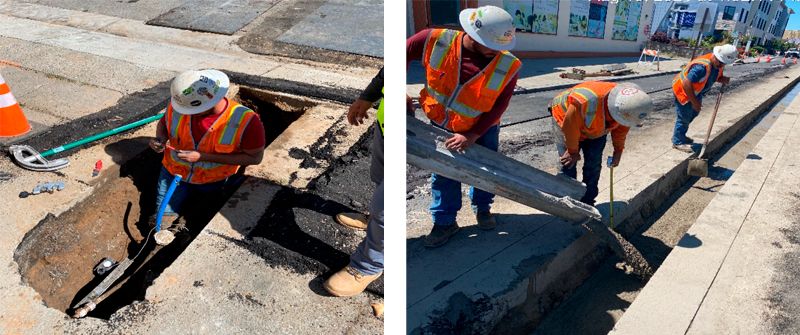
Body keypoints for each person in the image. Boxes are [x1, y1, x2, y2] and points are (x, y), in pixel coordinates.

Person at [407, 5, 521, 248]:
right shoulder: (434, 40)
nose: (499, 51)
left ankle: (483, 207)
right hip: (441, 124)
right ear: (475, 34)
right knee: (444, 171)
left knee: (485, 170)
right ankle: (445, 222)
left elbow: (500, 105)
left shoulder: (507, 65)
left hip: (483, 127)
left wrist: (472, 134)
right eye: (494, 45)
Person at [148, 69, 265, 229]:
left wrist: (202, 157)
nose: (186, 114)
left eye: (192, 111)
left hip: (213, 181)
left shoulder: (245, 121)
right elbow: (164, 123)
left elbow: (254, 158)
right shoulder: (183, 104)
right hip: (173, 173)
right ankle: (163, 226)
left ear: (207, 103)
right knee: (162, 221)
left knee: (203, 213)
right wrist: (161, 138)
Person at [323, 68, 384, 296]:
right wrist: (368, 96)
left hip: (414, 134)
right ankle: (374, 223)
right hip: (387, 126)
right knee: (379, 178)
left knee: (386, 208)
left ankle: (368, 266)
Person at [549, 81, 652, 206]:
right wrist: (572, 151)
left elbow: (621, 129)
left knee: (594, 164)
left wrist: (618, 151)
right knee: (568, 164)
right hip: (565, 118)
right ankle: (568, 202)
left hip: (595, 125)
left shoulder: (628, 106)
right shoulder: (585, 102)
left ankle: (588, 201)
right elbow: (570, 126)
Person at [671, 44, 735, 153]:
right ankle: (678, 141)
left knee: (694, 112)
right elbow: (687, 83)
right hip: (684, 92)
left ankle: (680, 133)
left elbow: (714, 77)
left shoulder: (718, 65)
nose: (721, 65)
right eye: (720, 62)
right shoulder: (701, 67)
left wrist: (722, 79)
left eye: (723, 64)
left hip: (696, 92)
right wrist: (694, 102)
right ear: (716, 56)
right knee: (684, 117)